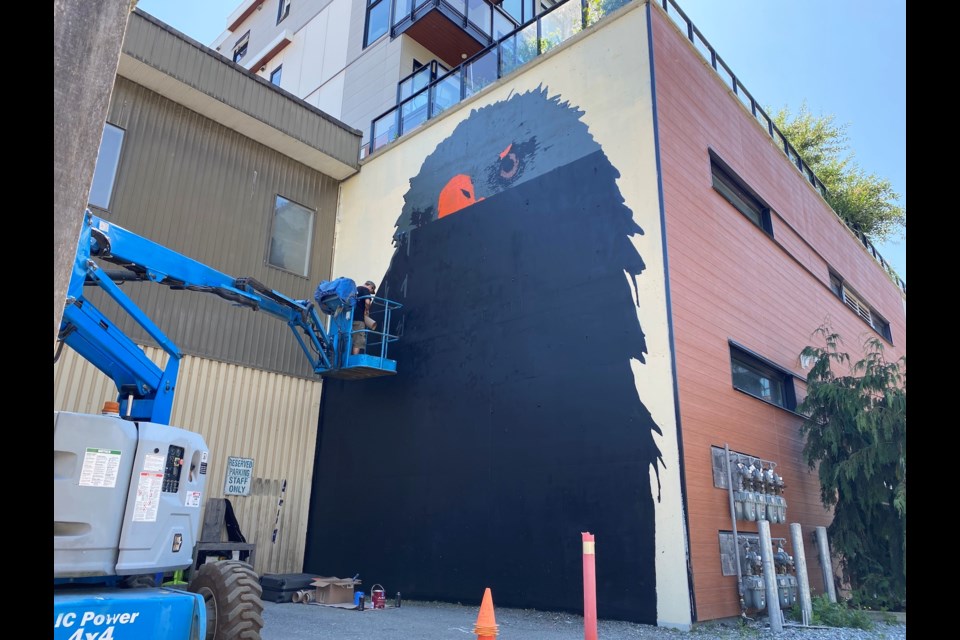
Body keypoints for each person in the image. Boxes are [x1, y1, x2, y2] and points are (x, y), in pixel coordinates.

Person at [352, 280, 376, 355]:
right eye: (372, 290)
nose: (370, 292)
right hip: (359, 319)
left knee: (349, 338)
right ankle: (355, 358)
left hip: (350, 318)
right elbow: (367, 302)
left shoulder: (355, 289)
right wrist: (367, 309)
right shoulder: (365, 290)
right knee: (358, 339)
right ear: (370, 286)